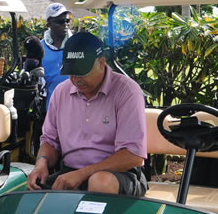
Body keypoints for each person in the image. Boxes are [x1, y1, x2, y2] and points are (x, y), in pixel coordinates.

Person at [27, 32, 148, 196]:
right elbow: (50, 141)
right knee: (30, 191)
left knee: (99, 182)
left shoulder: (127, 91)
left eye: (82, 72)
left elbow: (133, 156)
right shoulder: (61, 92)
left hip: (119, 174)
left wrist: (83, 173)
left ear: (101, 63)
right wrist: (41, 164)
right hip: (70, 172)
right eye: (71, 73)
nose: (76, 79)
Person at [40, 2, 73, 107]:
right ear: (48, 24)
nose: (65, 24)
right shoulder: (40, 48)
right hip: (52, 109)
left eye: (67, 21)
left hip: (78, 110)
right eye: (60, 21)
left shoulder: (78, 45)